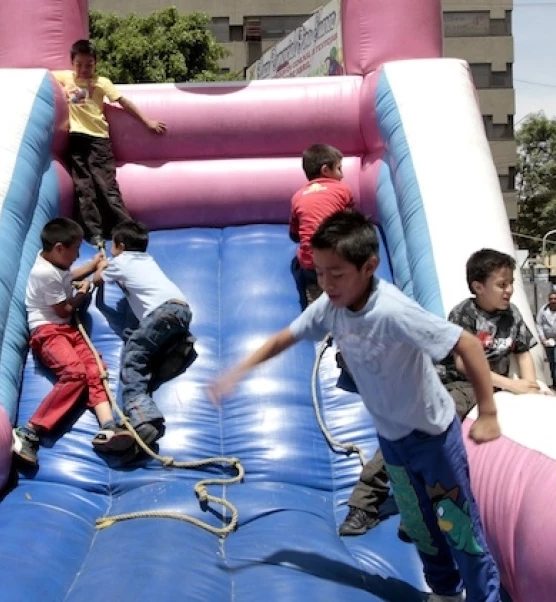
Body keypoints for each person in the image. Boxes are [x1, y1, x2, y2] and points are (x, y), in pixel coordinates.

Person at [210, 211, 502, 601]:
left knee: (457, 524)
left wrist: (488, 412)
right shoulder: (331, 306)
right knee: (419, 526)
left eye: (337, 273)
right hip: (393, 440)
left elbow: (465, 343)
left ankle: (486, 596)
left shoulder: (393, 310)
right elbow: (285, 337)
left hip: (433, 438)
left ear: (369, 267)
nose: (326, 283)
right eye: (320, 273)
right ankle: (446, 592)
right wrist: (238, 371)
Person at [339, 248, 540, 537]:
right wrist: (512, 385)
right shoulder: (465, 313)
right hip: (456, 383)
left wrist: (530, 386)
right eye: (502, 284)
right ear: (478, 287)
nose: (509, 290)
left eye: (510, 284)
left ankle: (417, 511)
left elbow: (522, 352)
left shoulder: (512, 315)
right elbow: (462, 363)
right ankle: (366, 504)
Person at [12, 217, 135, 466]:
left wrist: (91, 266)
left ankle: (108, 425)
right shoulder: (44, 273)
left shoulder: (53, 260)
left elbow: (68, 276)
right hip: (48, 331)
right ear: (59, 248)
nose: (77, 254)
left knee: (95, 369)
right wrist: (84, 291)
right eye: (75, 250)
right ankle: (30, 430)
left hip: (66, 331)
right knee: (76, 373)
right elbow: (64, 310)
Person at [54, 39, 167, 251]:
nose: (84, 69)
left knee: (107, 187)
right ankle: (95, 234)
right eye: (79, 64)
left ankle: (130, 232)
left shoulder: (102, 82)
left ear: (95, 63)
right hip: (76, 138)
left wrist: (147, 121)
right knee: (84, 188)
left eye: (88, 64)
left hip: (98, 138)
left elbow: (124, 102)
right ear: (72, 63)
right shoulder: (65, 78)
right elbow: (44, 74)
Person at [91, 220, 193, 450]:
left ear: (120, 246)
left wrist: (100, 264)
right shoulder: (147, 260)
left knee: (132, 359)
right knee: (144, 358)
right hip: (180, 312)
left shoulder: (121, 261)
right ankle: (172, 350)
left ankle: (143, 420)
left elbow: (98, 279)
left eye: (113, 247)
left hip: (162, 314)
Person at [289, 143, 354, 309]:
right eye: (339, 169)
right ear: (326, 170)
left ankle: (317, 296)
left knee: (302, 263)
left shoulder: (297, 197)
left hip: (313, 262)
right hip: (339, 259)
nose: (343, 175)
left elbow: (294, 233)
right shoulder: (342, 190)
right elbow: (350, 222)